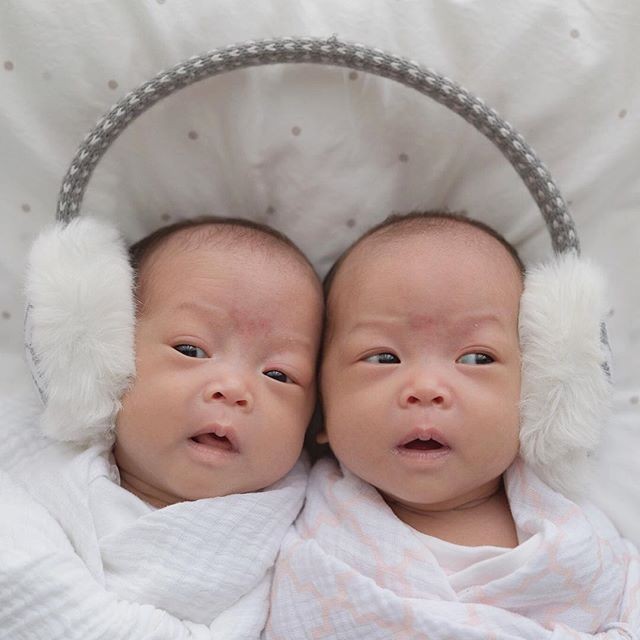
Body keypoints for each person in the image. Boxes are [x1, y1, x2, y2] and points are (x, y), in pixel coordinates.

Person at [267, 211, 640, 639]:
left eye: (476, 358)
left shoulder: (578, 542)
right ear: (321, 407)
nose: (427, 388)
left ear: (533, 391)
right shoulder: (287, 519)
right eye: (384, 358)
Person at [0, 216, 323, 640]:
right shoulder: (35, 462)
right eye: (191, 350)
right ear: (110, 352)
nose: (233, 389)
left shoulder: (314, 530)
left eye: (279, 375)